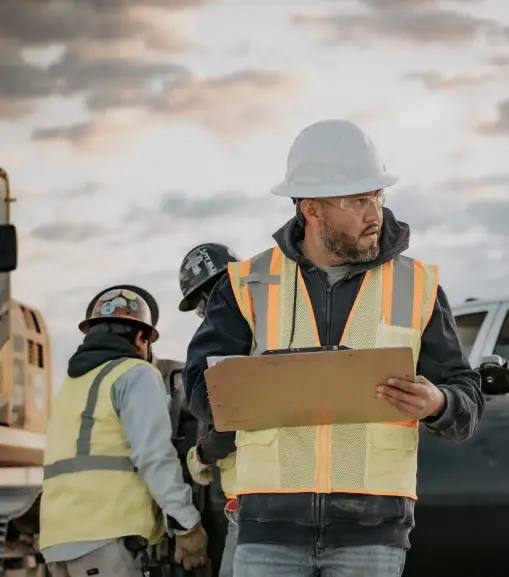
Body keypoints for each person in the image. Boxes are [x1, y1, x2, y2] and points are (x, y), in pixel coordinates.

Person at [182, 119, 485, 577]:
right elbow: (200, 391)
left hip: (373, 529)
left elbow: (466, 397)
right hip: (268, 527)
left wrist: (439, 402)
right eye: (356, 200)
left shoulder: (417, 285)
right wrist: (255, 386)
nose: (374, 214)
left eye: (376, 196)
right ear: (312, 209)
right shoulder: (245, 284)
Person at [39, 286, 208, 576]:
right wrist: (186, 523)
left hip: (58, 544)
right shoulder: (135, 373)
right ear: (141, 338)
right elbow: (154, 456)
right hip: (108, 540)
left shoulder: (71, 387)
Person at [177, 242, 241, 577]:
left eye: (201, 308)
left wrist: (201, 454)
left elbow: (235, 422)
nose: (204, 315)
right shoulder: (273, 318)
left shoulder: (233, 336)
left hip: (254, 509)